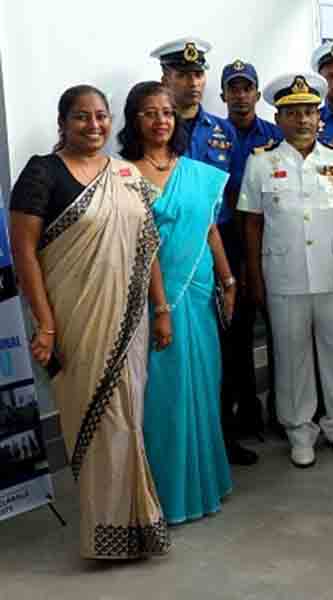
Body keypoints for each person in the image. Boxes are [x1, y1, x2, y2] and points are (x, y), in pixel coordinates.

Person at [9, 85, 169, 558]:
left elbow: (148, 245)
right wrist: (46, 325)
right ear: (62, 121)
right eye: (82, 117)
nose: (94, 125)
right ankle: (106, 531)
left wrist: (161, 309)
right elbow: (25, 256)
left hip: (131, 321)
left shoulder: (124, 173)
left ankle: (136, 523)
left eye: (101, 116)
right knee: (99, 423)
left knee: (128, 421)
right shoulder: (42, 174)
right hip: (77, 325)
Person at [238, 73, 333, 468]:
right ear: (278, 119)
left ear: (320, 118)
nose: (302, 120)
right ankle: (300, 431)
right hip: (283, 275)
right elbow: (251, 222)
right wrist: (254, 277)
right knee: (292, 355)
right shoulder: (261, 161)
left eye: (309, 113)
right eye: (292, 113)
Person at [120, 81, 235, 525]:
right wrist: (162, 308)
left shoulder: (197, 172)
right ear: (135, 120)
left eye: (166, 112)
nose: (161, 120)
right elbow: (136, 242)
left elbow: (210, 229)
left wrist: (228, 279)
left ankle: (207, 481)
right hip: (153, 299)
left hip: (200, 291)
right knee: (163, 394)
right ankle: (168, 492)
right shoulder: (123, 173)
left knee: (204, 385)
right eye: (150, 113)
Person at [151, 37, 257, 466]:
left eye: (198, 74)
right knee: (177, 347)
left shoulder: (222, 130)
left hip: (220, 243)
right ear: (165, 78)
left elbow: (232, 197)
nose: (192, 83)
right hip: (172, 250)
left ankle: (224, 436)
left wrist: (235, 268)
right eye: (182, 74)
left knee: (226, 343)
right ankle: (181, 440)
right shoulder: (154, 125)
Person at [220, 59, 284, 439]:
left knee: (282, 332)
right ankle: (244, 414)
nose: (241, 95)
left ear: (258, 95)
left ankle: (280, 410)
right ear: (224, 94)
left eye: (247, 88)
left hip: (273, 242)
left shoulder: (276, 135)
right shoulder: (213, 135)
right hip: (228, 246)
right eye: (234, 88)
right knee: (237, 335)